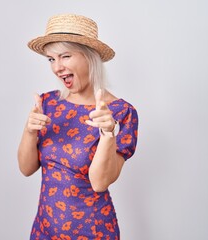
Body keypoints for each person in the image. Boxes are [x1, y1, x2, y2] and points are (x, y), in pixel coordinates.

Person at [17, 14, 138, 239]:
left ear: (89, 57)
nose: (57, 67)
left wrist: (107, 135)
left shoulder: (121, 113)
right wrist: (29, 130)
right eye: (51, 59)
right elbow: (26, 169)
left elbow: (99, 182)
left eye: (65, 56)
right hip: (44, 230)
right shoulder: (48, 103)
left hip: (93, 232)